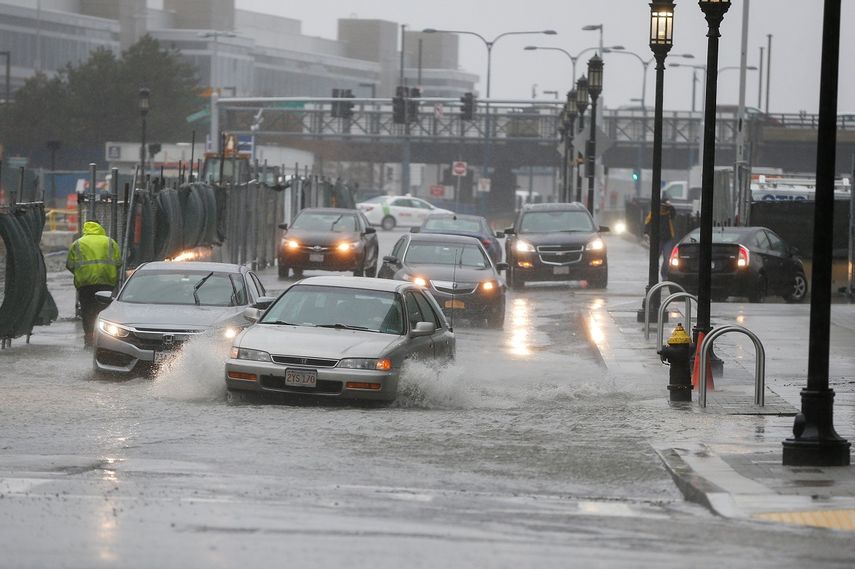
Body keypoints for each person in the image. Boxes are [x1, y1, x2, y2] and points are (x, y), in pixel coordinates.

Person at [66, 221, 121, 347]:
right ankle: (105, 339)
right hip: (106, 282)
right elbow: (118, 262)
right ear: (100, 227)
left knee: (87, 311)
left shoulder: (78, 243)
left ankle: (89, 339)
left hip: (85, 284)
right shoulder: (109, 242)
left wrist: (82, 273)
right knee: (104, 312)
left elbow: (70, 264)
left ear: (85, 228)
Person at [644, 198, 677, 280]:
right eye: (661, 206)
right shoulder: (653, 214)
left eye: (664, 206)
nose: (663, 208)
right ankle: (654, 276)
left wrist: (670, 206)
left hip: (668, 239)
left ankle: (664, 275)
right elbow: (647, 223)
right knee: (655, 258)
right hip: (657, 240)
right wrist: (646, 233)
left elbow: (674, 213)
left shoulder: (669, 214)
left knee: (667, 258)